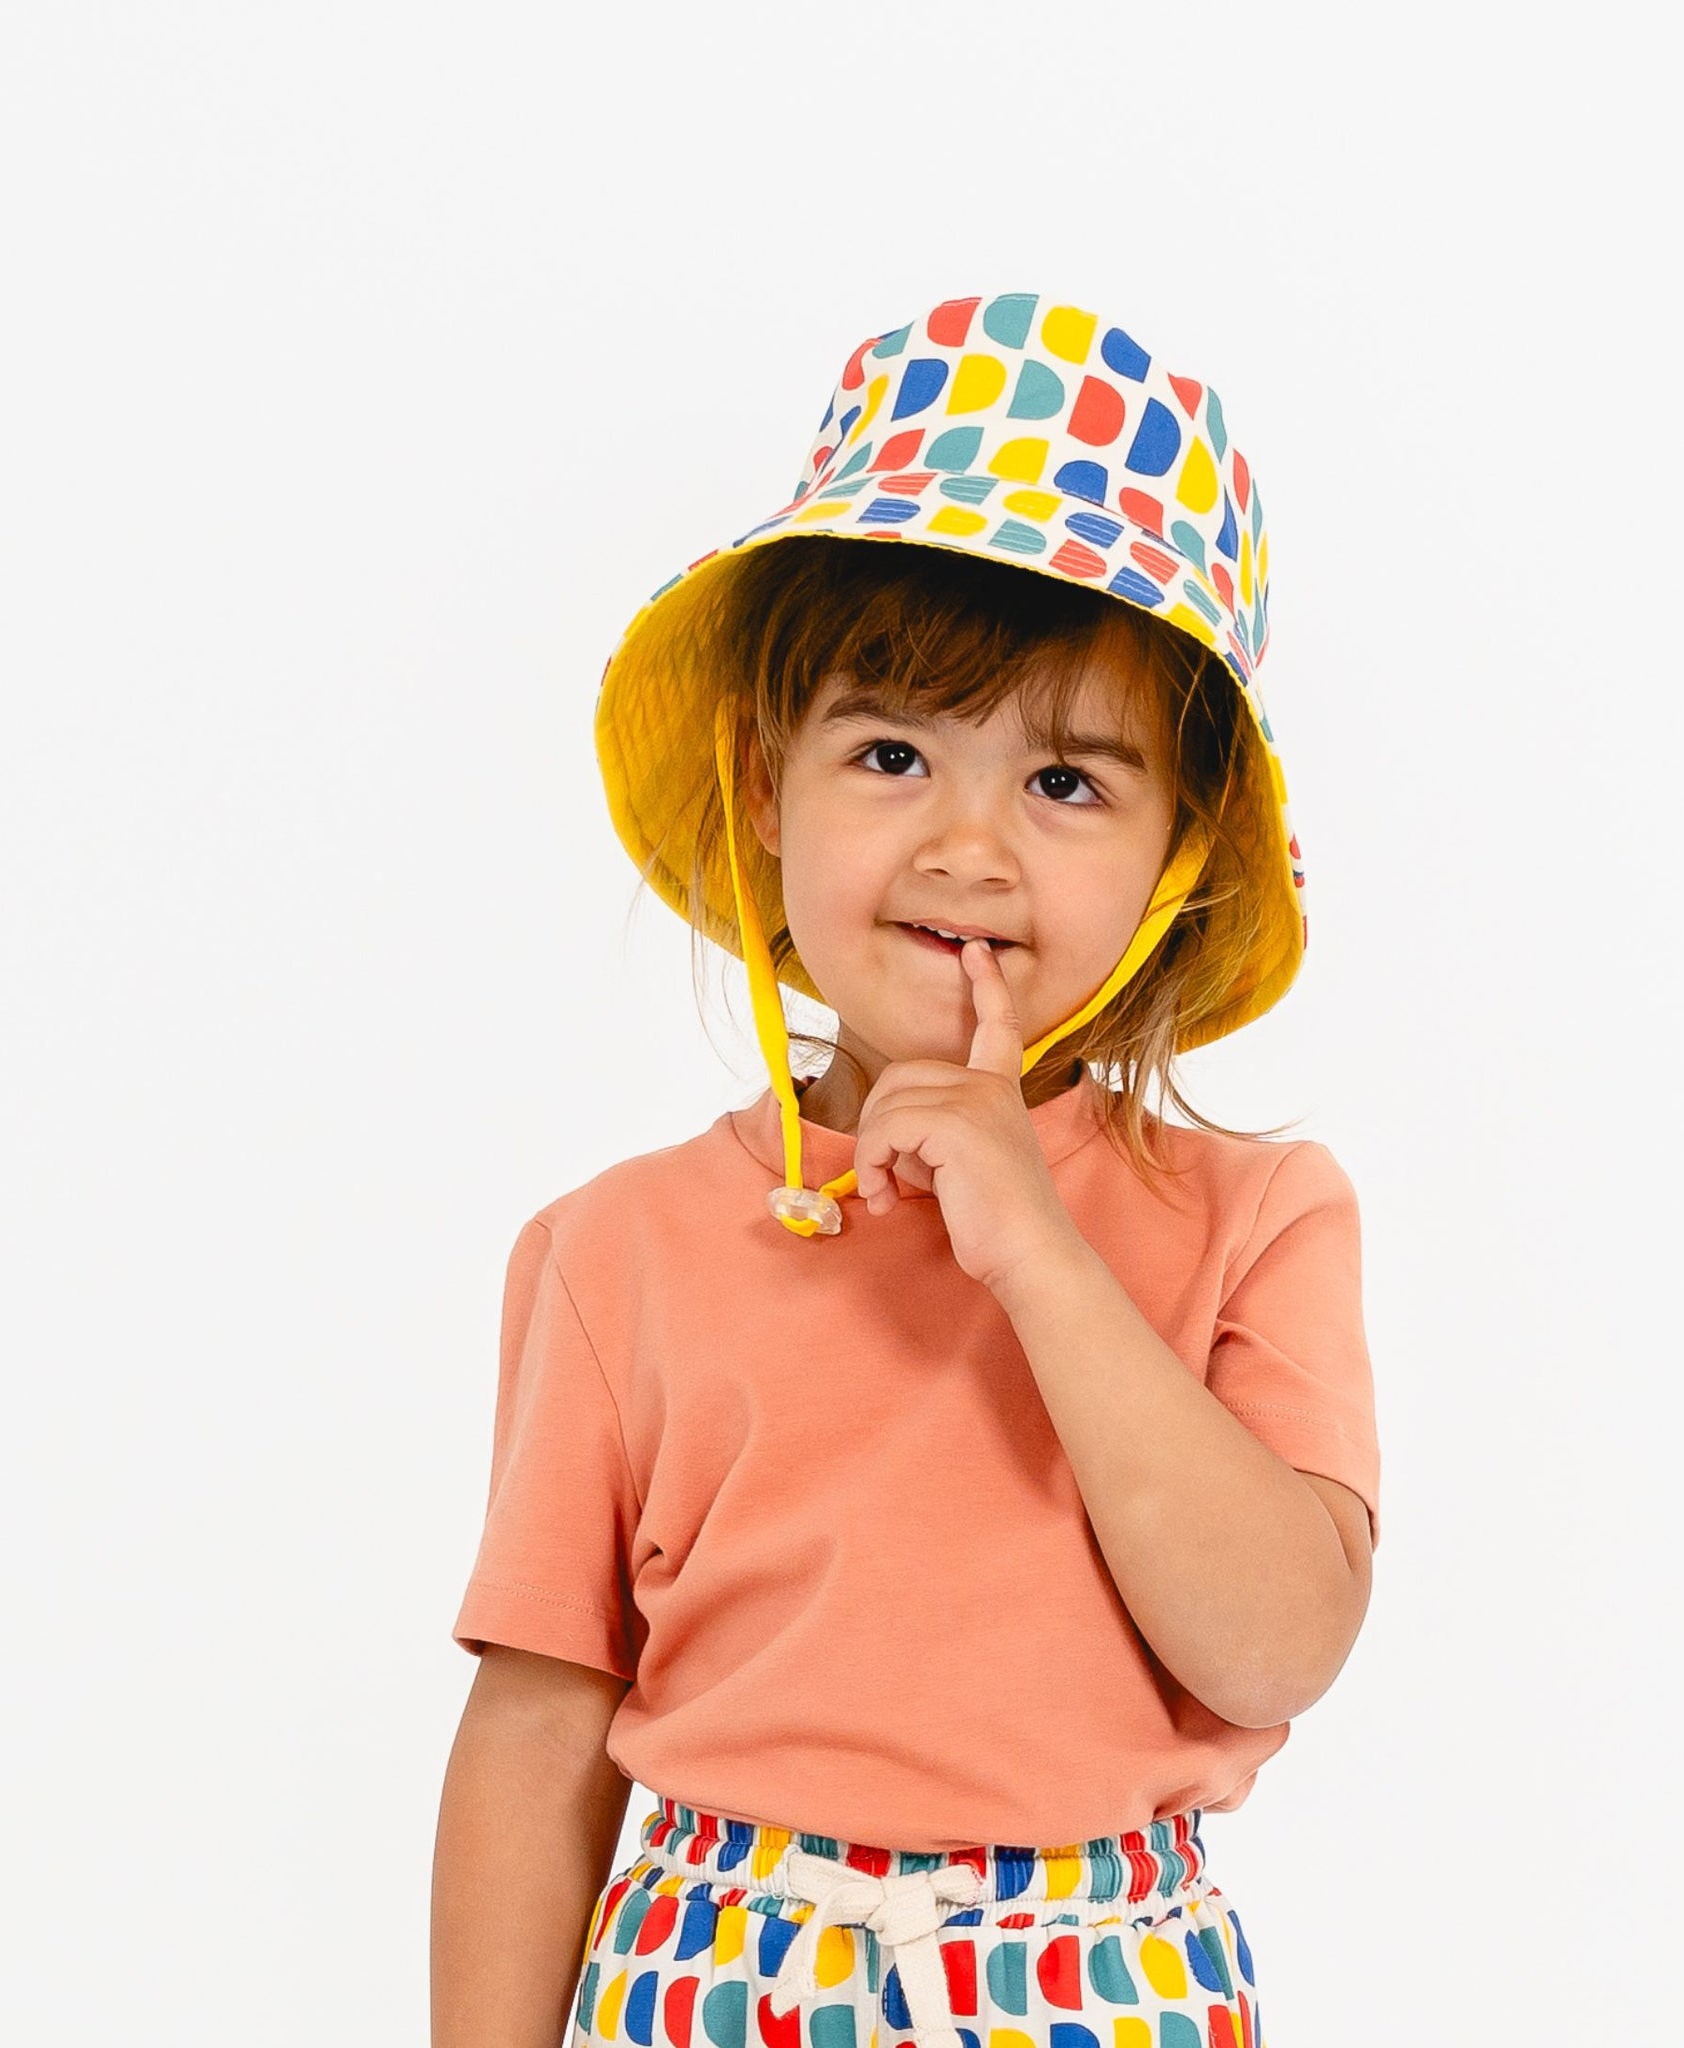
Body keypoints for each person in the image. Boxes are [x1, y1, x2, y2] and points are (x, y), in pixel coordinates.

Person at [431, 291, 1382, 2048]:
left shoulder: (1255, 1219)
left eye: (1069, 782)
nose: (968, 844)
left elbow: (1275, 1652)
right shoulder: (612, 1251)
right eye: (889, 753)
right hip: (718, 1973)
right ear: (766, 794)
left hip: (1107, 1979)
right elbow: (538, 1732)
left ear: (1185, 855)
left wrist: (1037, 1245)